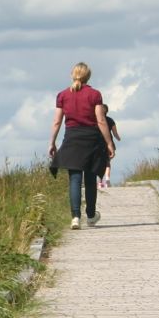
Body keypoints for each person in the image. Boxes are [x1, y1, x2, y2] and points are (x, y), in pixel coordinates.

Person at [47, 62, 115, 229]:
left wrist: (52, 142)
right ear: (88, 76)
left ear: (72, 75)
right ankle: (90, 216)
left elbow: (57, 122)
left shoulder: (63, 95)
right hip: (91, 140)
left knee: (75, 179)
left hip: (72, 139)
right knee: (90, 178)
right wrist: (109, 143)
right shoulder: (95, 94)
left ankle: (75, 217)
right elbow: (101, 120)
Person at [99, 105, 121, 189]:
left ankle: (100, 182)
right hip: (109, 143)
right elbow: (115, 133)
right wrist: (118, 138)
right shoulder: (110, 120)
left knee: (99, 163)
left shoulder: (97, 119)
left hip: (98, 143)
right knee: (107, 163)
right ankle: (107, 181)